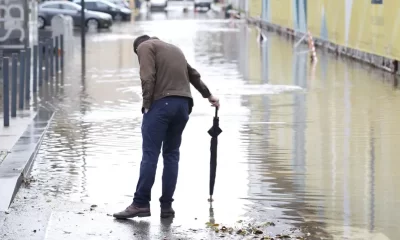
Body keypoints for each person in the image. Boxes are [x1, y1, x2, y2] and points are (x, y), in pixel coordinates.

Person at [113, 35, 220, 219]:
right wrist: (209, 95)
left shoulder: (144, 47)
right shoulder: (174, 48)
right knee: (171, 155)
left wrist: (147, 104)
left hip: (162, 105)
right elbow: (193, 74)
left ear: (138, 48)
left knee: (150, 155)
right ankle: (166, 207)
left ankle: (140, 204)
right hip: (183, 106)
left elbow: (147, 76)